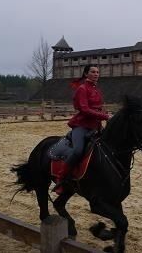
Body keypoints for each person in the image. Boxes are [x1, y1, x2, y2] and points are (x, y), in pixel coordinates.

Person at [53, 65, 109, 194]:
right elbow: (84, 109)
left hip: (96, 126)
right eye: (93, 72)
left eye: (97, 72)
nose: (96, 74)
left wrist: (106, 115)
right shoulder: (82, 89)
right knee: (78, 151)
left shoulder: (97, 90)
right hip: (82, 126)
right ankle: (60, 180)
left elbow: (99, 107)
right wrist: (105, 116)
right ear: (86, 74)